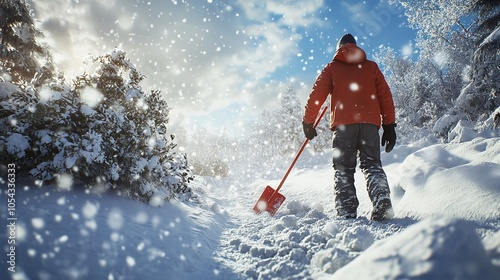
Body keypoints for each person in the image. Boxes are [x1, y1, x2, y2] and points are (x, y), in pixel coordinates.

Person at [302, 33, 397, 221]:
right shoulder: (371, 67)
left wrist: (308, 121)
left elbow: (316, 96)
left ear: (339, 48)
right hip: (369, 125)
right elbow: (385, 96)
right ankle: (382, 200)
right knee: (372, 165)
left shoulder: (332, 68)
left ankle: (346, 211)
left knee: (343, 168)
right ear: (355, 46)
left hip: (344, 126)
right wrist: (389, 125)